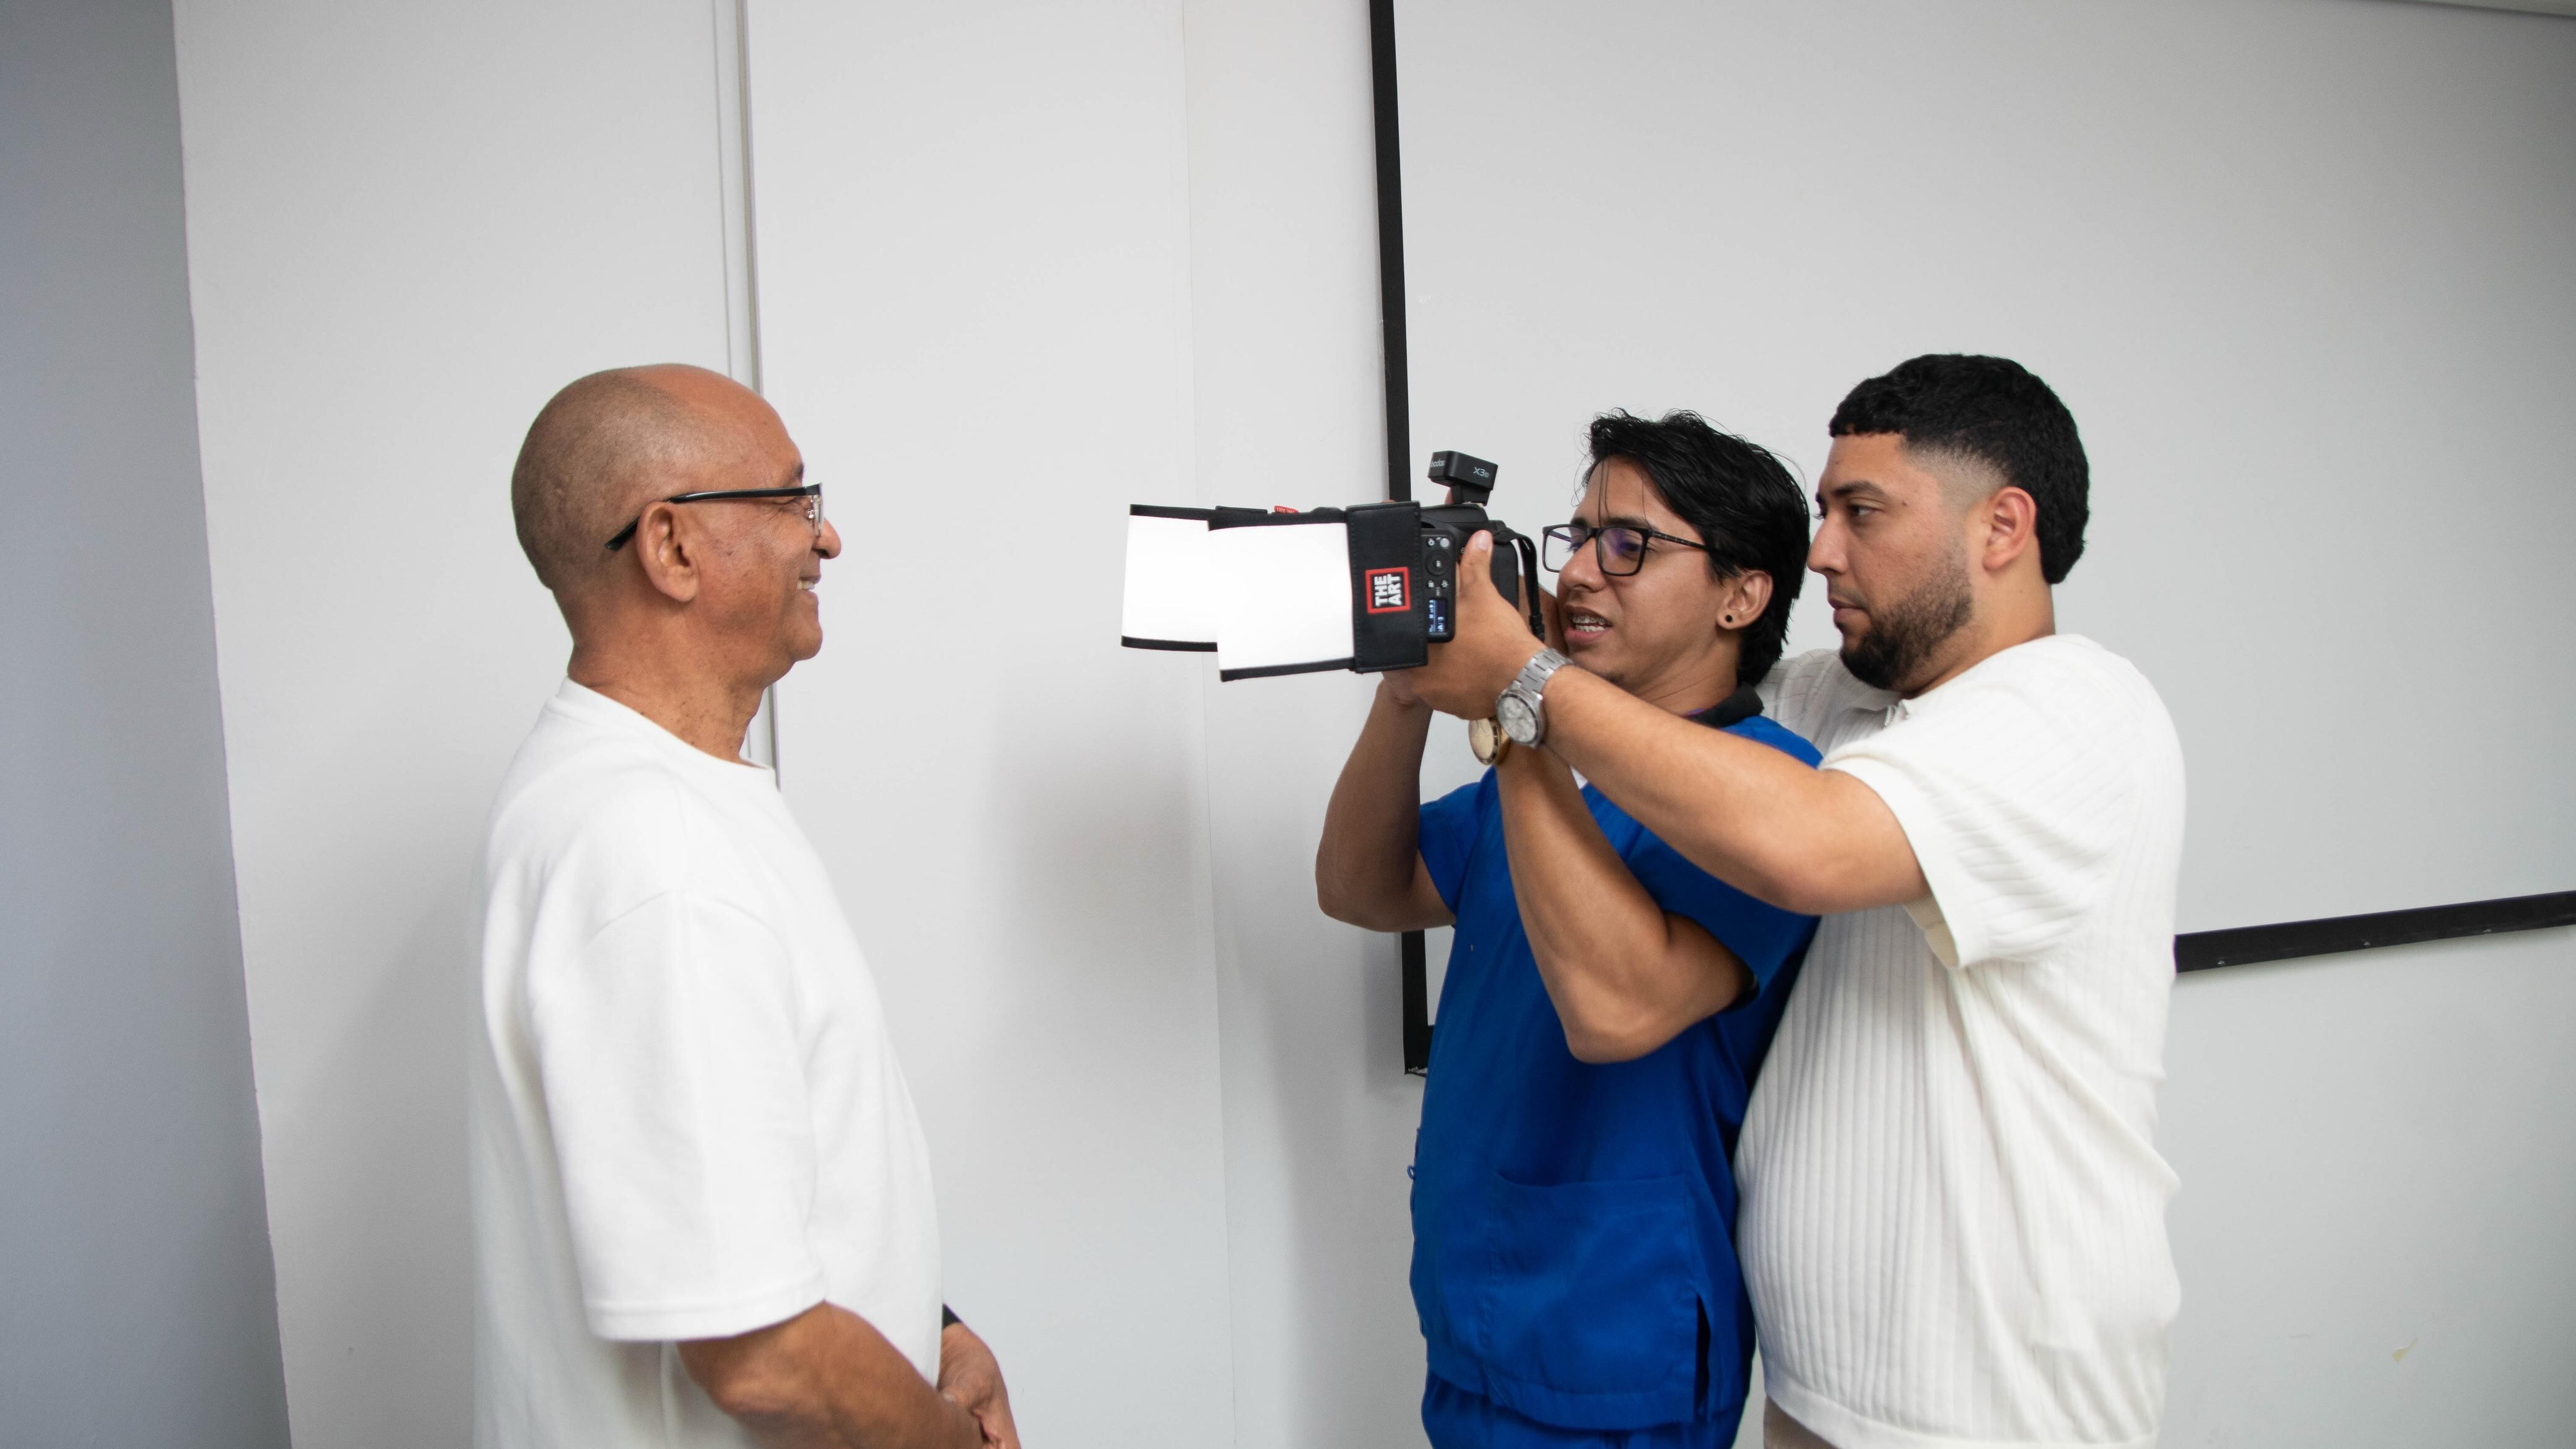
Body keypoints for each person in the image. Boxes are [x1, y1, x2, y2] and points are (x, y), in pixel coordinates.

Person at [1407, 356, 2185, 1449]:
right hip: (1821, 1386)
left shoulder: (2072, 711)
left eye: (1863, 513)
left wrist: (1521, 680)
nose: (1821, 551)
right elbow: (1669, 681)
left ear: (2003, 527)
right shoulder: (1836, 698)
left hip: (1997, 1400)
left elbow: (1807, 844)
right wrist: (1483, 612)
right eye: (1823, 513)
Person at [471, 364, 1017, 1449]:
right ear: (671, 547)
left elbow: (743, 1186)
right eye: (791, 501)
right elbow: (758, 1353)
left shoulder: (666, 799)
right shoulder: (651, 851)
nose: (827, 538)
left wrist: (936, 1331)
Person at [1318, 411, 1822, 1448]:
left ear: (1740, 594)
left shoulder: (1771, 791)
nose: (1582, 573)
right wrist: (1411, 687)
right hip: (1476, 1309)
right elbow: (1362, 886)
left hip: (1614, 1335)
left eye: (1630, 544)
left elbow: (1615, 1010)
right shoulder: (1561, 776)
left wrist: (1518, 699)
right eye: (1579, 537)